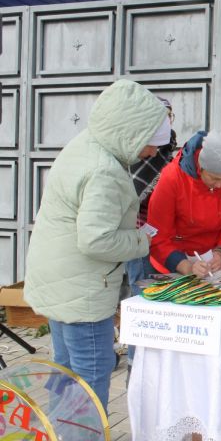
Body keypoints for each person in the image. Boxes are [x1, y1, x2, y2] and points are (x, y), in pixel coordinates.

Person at [24, 79, 171, 413]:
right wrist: (140, 240)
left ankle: (63, 433)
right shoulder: (105, 170)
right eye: (150, 144)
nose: (151, 153)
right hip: (83, 291)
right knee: (90, 377)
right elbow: (96, 239)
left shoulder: (86, 145)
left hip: (60, 279)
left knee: (66, 371)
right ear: (131, 133)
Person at [123, 96, 177, 378]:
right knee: (139, 296)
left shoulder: (171, 151)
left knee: (163, 297)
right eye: (161, 117)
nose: (166, 122)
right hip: (135, 234)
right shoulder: (134, 152)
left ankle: (159, 363)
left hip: (166, 237)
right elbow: (130, 193)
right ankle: (136, 362)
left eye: (169, 117)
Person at [148, 130, 221, 277]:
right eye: (214, 178)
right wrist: (185, 266)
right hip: (172, 264)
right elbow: (158, 235)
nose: (220, 185)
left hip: (213, 266)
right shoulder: (172, 177)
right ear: (200, 167)